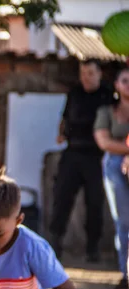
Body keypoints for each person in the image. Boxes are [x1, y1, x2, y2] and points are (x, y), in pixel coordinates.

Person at [50, 59, 114, 262]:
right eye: (83, 73)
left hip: (96, 156)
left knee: (94, 202)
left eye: (90, 73)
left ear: (99, 74)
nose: (86, 78)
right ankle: (55, 242)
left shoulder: (107, 95)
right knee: (62, 197)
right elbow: (65, 118)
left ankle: (93, 248)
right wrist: (61, 134)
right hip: (73, 152)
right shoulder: (75, 93)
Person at [94, 67, 129, 289]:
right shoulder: (106, 112)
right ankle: (125, 273)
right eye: (125, 81)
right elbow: (104, 142)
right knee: (123, 221)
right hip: (115, 166)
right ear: (116, 85)